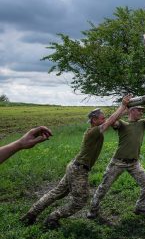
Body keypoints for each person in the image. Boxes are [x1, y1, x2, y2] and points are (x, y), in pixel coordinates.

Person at [20, 96, 131, 228]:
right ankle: (53, 217)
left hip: (74, 166)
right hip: (79, 169)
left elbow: (113, 119)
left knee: (56, 192)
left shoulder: (94, 130)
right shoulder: (94, 131)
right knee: (81, 200)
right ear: (94, 120)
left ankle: (30, 215)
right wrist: (122, 105)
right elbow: (112, 119)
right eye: (102, 118)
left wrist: (125, 109)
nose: (104, 120)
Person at [87, 102, 145, 220]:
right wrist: (124, 109)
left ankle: (140, 208)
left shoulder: (142, 124)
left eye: (142, 110)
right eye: (138, 110)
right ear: (131, 111)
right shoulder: (122, 124)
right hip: (118, 162)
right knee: (104, 187)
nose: (141, 112)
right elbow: (113, 121)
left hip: (134, 163)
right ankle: (93, 211)